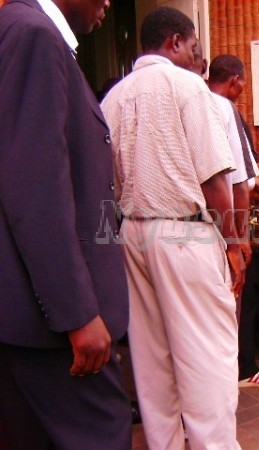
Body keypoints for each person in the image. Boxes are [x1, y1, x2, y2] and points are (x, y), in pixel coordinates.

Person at [101, 7, 243, 449]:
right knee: (207, 356)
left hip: (133, 234)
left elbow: (109, 181)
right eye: (193, 46)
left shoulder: (113, 98)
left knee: (151, 358)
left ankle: (165, 444)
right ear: (174, 42)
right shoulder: (187, 87)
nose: (196, 56)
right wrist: (234, 243)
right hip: (184, 233)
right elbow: (216, 178)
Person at [0, 0, 131, 448]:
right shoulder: (33, 35)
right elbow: (36, 187)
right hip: (51, 332)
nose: (108, 4)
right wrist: (77, 314)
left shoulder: (26, 32)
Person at [208, 54, 259, 388]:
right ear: (235, 80)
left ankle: (226, 369)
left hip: (202, 225)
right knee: (240, 296)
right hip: (227, 226)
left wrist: (256, 181)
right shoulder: (224, 110)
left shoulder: (196, 105)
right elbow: (238, 182)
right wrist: (240, 238)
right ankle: (244, 368)